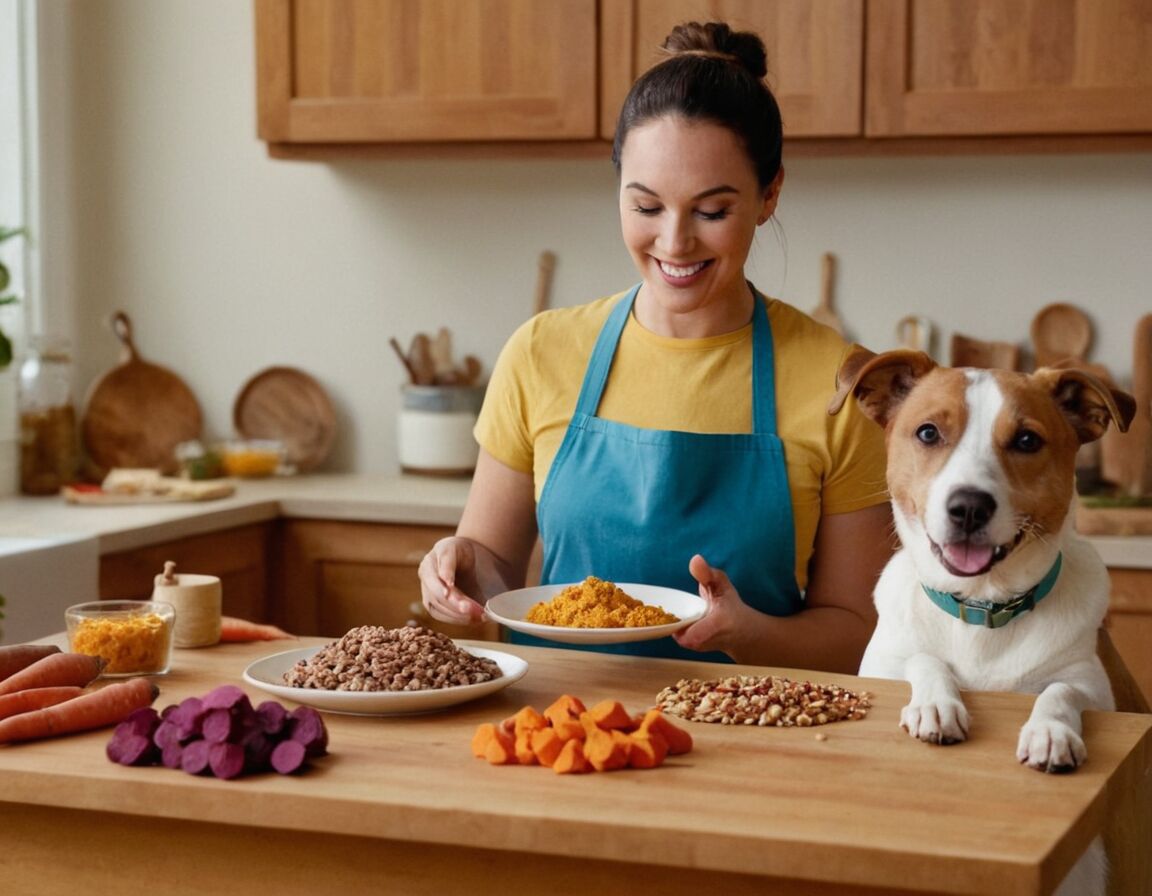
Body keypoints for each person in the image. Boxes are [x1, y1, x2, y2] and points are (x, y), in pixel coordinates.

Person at [418, 21, 892, 673]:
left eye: (711, 211)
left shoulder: (837, 380)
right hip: (560, 733)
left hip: (751, 738)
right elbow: (495, 566)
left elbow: (858, 630)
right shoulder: (540, 352)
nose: (674, 243)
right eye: (646, 207)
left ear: (769, 194)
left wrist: (746, 634)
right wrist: (462, 566)